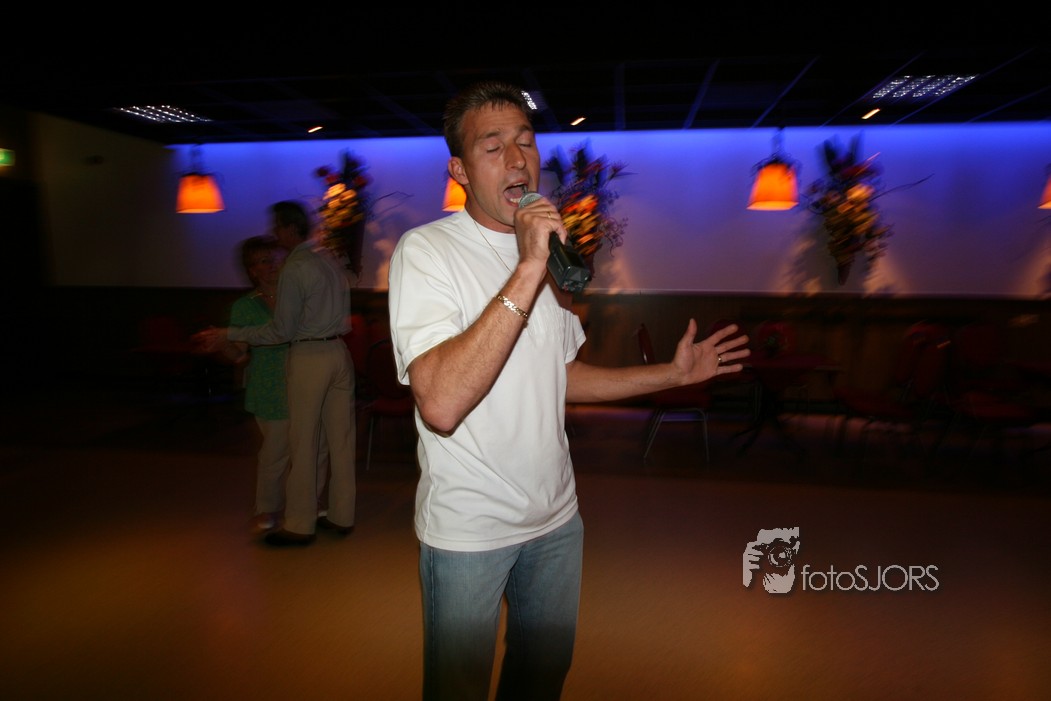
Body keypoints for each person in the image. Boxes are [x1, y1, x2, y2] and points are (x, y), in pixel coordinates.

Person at [387, 80, 751, 700]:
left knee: (542, 676)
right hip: (469, 529)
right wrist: (529, 266)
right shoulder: (427, 252)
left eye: (525, 142)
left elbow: (562, 376)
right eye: (493, 147)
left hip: (556, 520)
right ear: (460, 170)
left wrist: (671, 375)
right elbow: (441, 404)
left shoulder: (551, 257)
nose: (517, 159)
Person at [194, 201, 356, 547]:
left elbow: (281, 331)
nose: (274, 233)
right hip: (339, 351)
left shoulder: (296, 266)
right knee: (340, 440)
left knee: (303, 442)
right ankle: (342, 515)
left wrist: (229, 333)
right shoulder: (328, 258)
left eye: (277, 227)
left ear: (288, 228)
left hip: (310, 355)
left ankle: (299, 524)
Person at [216, 235, 331, 536]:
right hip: (270, 387)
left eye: (280, 260)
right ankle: (267, 508)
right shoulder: (245, 307)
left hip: (308, 383)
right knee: (275, 454)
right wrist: (221, 343)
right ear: (252, 270)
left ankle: (310, 501)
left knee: (314, 449)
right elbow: (239, 354)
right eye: (265, 261)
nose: (274, 266)